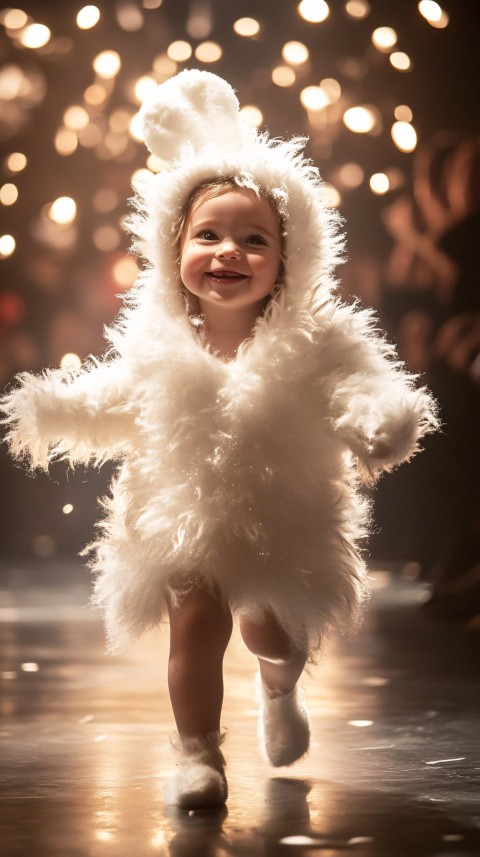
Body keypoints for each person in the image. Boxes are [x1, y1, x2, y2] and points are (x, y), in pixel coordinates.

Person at [0, 70, 438, 810]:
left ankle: (279, 683)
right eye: (207, 234)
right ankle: (196, 754)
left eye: (252, 240)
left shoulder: (313, 337)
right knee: (195, 623)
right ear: (174, 248)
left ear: (287, 259)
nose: (226, 252)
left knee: (269, 627)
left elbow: (354, 382)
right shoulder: (157, 342)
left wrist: (376, 415)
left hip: (281, 518)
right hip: (179, 512)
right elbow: (114, 396)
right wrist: (55, 409)